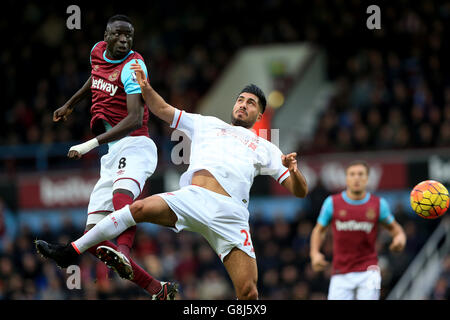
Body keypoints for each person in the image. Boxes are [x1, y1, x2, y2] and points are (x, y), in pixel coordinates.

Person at [35, 62, 308, 300]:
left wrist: (293, 171)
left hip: (232, 215)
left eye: (251, 104)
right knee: (138, 209)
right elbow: (163, 110)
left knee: (248, 293)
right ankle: (70, 251)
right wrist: (145, 87)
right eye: (241, 99)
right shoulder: (207, 123)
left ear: (259, 116)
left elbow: (300, 191)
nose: (243, 105)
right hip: (194, 198)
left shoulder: (266, 146)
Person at [39, 15, 174, 300]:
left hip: (136, 145)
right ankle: (157, 289)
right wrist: (70, 104)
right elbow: (95, 77)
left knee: (121, 201)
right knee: (93, 237)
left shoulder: (133, 67)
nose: (124, 40)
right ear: (107, 35)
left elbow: (136, 118)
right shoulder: (96, 52)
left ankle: (121, 252)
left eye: (129, 36)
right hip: (113, 152)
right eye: (119, 35)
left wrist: (89, 145)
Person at [309, 160, 407, 300]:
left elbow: (396, 230)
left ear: (367, 178)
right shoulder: (332, 203)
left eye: (361, 174)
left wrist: (399, 240)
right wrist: (314, 253)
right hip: (340, 271)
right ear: (346, 178)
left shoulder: (378, 204)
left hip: (370, 270)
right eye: (352, 174)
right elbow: (319, 230)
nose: (356, 178)